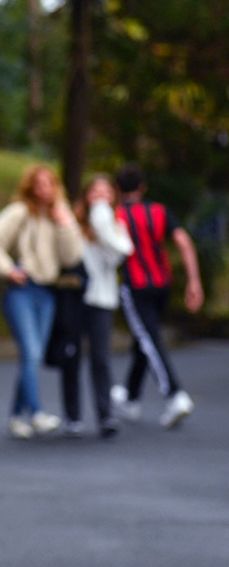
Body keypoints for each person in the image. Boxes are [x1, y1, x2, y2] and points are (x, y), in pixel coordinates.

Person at [0, 164, 84, 439]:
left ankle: (16, 416)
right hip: (22, 291)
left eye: (50, 184)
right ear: (30, 187)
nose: (45, 190)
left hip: (48, 292)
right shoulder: (19, 212)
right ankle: (36, 412)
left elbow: (71, 258)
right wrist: (8, 269)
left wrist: (65, 224)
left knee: (31, 356)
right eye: (39, 184)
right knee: (32, 351)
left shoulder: (60, 215)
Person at [110, 164, 202, 428]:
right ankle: (130, 396)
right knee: (144, 338)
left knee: (148, 339)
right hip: (162, 284)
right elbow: (184, 242)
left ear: (117, 190)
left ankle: (174, 395)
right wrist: (194, 281)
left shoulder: (116, 216)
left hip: (136, 286)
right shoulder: (159, 211)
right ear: (143, 188)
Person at [57, 175, 133, 438]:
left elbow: (120, 254)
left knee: (100, 358)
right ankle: (72, 416)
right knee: (72, 357)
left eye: (105, 193)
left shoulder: (114, 227)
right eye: (95, 192)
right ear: (86, 195)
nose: (100, 197)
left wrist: (103, 226)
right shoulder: (73, 224)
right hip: (76, 298)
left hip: (102, 300)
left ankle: (105, 415)